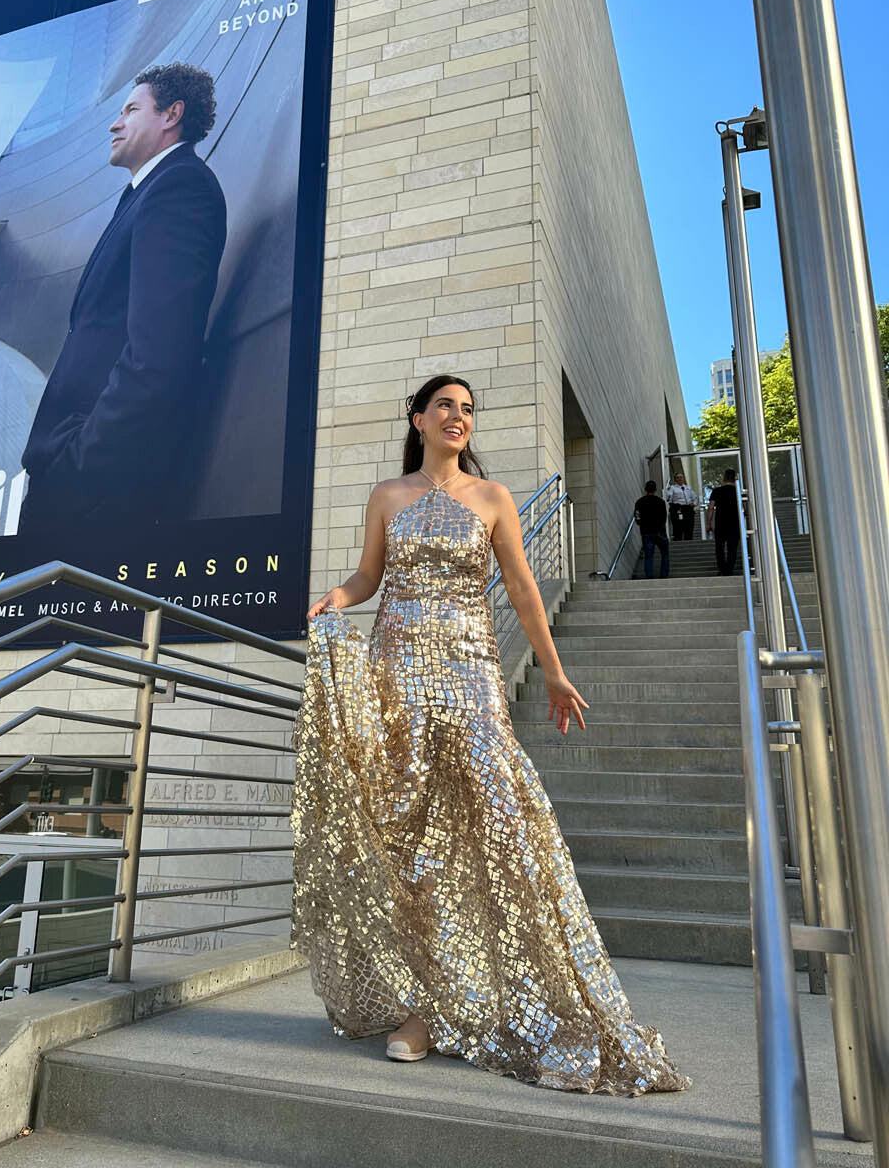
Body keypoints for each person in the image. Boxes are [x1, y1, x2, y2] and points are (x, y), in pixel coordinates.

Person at [291, 375, 689, 1095]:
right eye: (445, 405)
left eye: (469, 409)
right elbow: (368, 576)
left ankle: (522, 994)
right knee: (408, 845)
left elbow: (524, 588)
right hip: (397, 676)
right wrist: (335, 600)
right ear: (417, 417)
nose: (458, 416)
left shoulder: (495, 498)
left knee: (498, 830)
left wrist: (556, 672)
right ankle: (424, 1010)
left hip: (471, 675)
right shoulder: (388, 495)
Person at [19, 64, 227, 537]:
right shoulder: (145, 192)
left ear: (172, 114)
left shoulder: (179, 188)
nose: (115, 123)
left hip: (95, 485)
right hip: (75, 475)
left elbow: (158, 352)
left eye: (131, 109)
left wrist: (82, 460)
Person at [707, 468, 741, 575]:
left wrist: (708, 523)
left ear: (724, 477)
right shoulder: (738, 491)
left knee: (719, 548)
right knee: (732, 547)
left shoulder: (716, 491)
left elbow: (711, 508)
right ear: (734, 478)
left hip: (720, 523)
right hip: (734, 523)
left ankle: (722, 569)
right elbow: (744, 507)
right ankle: (729, 569)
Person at [634, 480, 670, 579]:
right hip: (659, 531)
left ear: (645, 489)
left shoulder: (640, 502)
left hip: (646, 531)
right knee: (665, 553)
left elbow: (637, 516)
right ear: (655, 489)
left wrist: (640, 523)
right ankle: (664, 574)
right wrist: (661, 526)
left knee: (649, 555)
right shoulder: (661, 502)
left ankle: (649, 574)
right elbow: (664, 517)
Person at [664, 469, 697, 541]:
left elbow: (694, 497)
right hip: (678, 509)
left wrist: (694, 504)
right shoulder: (672, 488)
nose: (680, 479)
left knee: (689, 527)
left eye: (681, 477)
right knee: (678, 527)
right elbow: (668, 497)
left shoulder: (688, 488)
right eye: (678, 477)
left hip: (688, 508)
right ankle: (678, 539)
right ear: (675, 479)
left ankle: (689, 540)